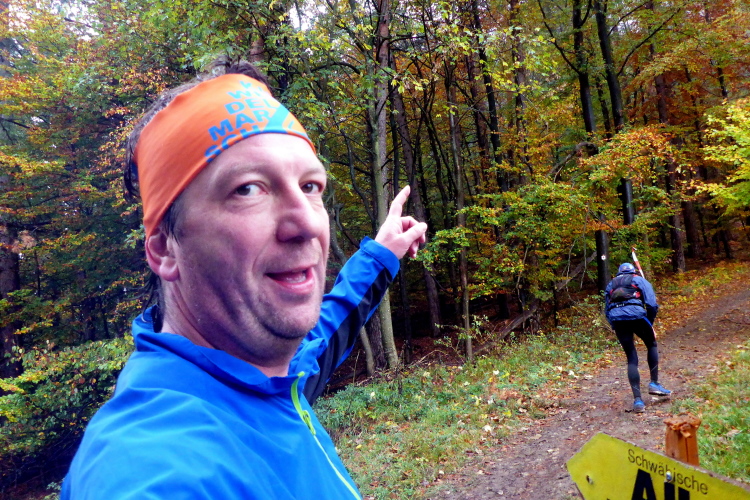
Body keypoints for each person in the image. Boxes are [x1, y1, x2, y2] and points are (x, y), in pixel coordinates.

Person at [61, 61, 427, 499]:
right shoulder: (150, 464)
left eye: (310, 186)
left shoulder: (270, 377)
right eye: (248, 189)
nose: (307, 224)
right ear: (164, 249)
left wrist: (383, 253)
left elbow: (326, 329)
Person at [604, 262, 671, 413]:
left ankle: (638, 401)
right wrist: (649, 322)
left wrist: (614, 325)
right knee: (651, 344)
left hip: (618, 319)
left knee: (631, 357)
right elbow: (651, 304)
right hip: (637, 316)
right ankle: (654, 383)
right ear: (633, 271)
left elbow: (607, 309)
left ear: (619, 273)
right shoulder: (639, 280)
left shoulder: (611, 284)